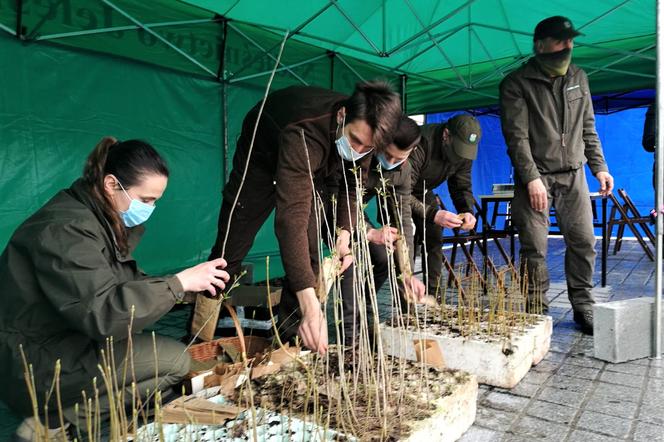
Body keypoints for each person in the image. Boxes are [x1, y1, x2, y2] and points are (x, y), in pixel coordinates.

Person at [0, 137, 230, 439]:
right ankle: (55, 420)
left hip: (58, 341)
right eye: (146, 200)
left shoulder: (92, 217)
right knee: (174, 361)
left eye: (156, 201)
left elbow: (115, 284)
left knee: (166, 359)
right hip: (34, 363)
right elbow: (104, 315)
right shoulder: (66, 230)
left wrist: (184, 289)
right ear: (111, 184)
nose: (151, 208)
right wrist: (177, 284)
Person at [191, 82, 402, 354]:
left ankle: (292, 344)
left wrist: (344, 236)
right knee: (230, 249)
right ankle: (198, 339)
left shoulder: (367, 136)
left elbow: (352, 187)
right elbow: (291, 220)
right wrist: (311, 303)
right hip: (262, 155)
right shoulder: (303, 133)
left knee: (310, 257)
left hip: (316, 166)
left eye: (367, 147)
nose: (360, 150)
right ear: (342, 116)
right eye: (355, 141)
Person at [499, 16, 614, 334]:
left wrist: (600, 167)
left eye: (571, 40)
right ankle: (536, 310)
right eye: (561, 41)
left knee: (584, 241)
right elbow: (516, 137)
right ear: (540, 45)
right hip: (535, 177)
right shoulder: (516, 83)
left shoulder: (579, 77)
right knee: (534, 246)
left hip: (574, 175)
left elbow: (588, 127)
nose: (568, 46)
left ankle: (584, 307)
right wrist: (531, 177)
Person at [335, 115, 426, 346]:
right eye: (387, 154)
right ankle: (350, 338)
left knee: (383, 258)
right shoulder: (359, 155)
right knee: (351, 261)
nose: (391, 160)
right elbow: (338, 200)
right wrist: (368, 232)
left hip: (358, 211)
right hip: (333, 209)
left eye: (399, 158)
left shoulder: (402, 171)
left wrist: (407, 271)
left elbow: (402, 218)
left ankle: (362, 305)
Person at [408, 114, 482, 295]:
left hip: (424, 191)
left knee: (434, 238)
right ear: (446, 135)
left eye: (465, 152)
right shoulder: (420, 142)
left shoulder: (465, 151)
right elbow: (400, 192)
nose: (460, 157)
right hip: (400, 191)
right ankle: (405, 304)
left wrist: (466, 210)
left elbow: (461, 184)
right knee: (403, 243)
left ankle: (434, 297)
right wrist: (433, 213)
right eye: (457, 150)